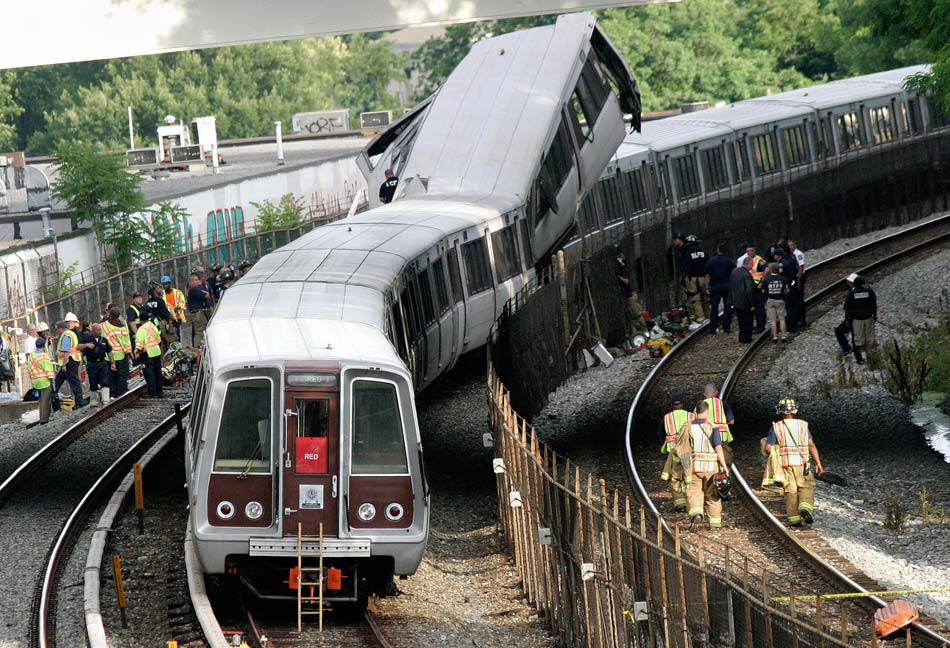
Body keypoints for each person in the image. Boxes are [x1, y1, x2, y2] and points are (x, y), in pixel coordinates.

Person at [765, 398, 823, 526]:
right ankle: (805, 508)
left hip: (786, 464)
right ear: (794, 411)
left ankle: (794, 520)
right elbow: (811, 444)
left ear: (780, 411)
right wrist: (818, 462)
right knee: (806, 486)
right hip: (802, 464)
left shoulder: (776, 427)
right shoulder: (803, 425)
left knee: (790, 490)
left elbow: (768, 448)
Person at [680, 400, 729, 528]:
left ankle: (696, 513)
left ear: (695, 411)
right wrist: (724, 465)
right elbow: (718, 448)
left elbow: (683, 450)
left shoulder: (688, 427)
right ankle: (715, 523)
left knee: (694, 491)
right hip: (711, 466)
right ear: (707, 412)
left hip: (694, 465)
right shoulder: (712, 427)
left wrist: (685, 470)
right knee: (712, 494)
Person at [659, 392, 693, 513]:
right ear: (682, 404)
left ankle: (680, 503)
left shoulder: (667, 418)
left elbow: (661, 434)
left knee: (676, 477)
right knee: (689, 475)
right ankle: (692, 501)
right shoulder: (690, 416)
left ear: (672, 405)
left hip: (673, 451)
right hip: (688, 450)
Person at [836, 274, 877, 365]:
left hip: (855, 319)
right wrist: (874, 315)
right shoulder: (869, 291)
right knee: (865, 339)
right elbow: (873, 304)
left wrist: (847, 319)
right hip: (867, 318)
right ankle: (864, 357)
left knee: (854, 339)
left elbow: (847, 308)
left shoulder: (852, 293)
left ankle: (855, 355)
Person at [53, 313, 89, 408]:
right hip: (73, 361)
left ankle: (79, 402)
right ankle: (53, 398)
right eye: (68, 323)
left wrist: (64, 364)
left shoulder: (67, 334)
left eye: (71, 322)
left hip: (69, 362)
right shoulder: (74, 333)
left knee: (73, 382)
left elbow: (66, 350)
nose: (69, 324)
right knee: (62, 381)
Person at [101, 306, 132, 398]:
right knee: (122, 376)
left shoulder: (103, 326)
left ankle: (112, 394)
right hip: (120, 355)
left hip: (108, 356)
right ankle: (121, 393)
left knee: (111, 377)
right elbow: (126, 342)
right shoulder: (122, 326)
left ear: (110, 314)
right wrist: (129, 352)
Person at [704, 243, 735, 335]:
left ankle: (713, 328)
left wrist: (707, 287)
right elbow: (733, 274)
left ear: (718, 250)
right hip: (727, 286)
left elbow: (707, 275)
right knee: (727, 307)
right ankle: (726, 327)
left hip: (715, 286)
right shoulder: (730, 261)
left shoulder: (711, 261)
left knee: (714, 308)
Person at [80, 322, 112, 406]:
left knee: (105, 381)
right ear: (93, 331)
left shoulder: (104, 340)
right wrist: (86, 345)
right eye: (97, 330)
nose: (99, 331)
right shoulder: (87, 339)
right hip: (92, 364)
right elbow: (78, 347)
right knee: (93, 382)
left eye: (100, 329)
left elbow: (109, 351)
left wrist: (113, 362)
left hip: (102, 362)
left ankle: (106, 400)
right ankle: (94, 400)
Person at [135, 307, 164, 398]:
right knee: (157, 372)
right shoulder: (152, 326)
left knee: (149, 373)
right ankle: (160, 391)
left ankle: (152, 392)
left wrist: (137, 352)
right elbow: (159, 339)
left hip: (147, 354)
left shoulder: (141, 329)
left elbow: (139, 342)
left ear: (140, 319)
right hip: (156, 352)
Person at [615, 247, 645, 334]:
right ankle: (641, 330)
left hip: (631, 296)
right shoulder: (623, 268)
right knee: (633, 315)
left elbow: (626, 281)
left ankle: (646, 329)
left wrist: (618, 277)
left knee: (637, 314)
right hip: (628, 296)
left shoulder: (625, 270)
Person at [28, 337, 56, 424]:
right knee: (46, 400)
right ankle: (44, 420)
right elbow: (49, 372)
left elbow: (29, 368)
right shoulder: (44, 356)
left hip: (36, 381)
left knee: (41, 400)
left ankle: (42, 417)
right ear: (44, 346)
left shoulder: (31, 355)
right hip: (45, 381)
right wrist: (53, 384)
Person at [761, 262, 790, 343]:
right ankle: (783, 336)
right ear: (778, 270)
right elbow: (787, 289)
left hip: (770, 300)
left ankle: (774, 337)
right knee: (782, 319)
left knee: (772, 320)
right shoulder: (783, 279)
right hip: (780, 300)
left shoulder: (766, 279)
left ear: (770, 270)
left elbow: (763, 290)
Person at [683, 235, 709, 326]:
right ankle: (708, 317)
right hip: (705, 278)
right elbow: (708, 264)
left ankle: (701, 319)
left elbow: (685, 268)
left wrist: (685, 280)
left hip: (693, 279)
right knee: (705, 297)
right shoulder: (704, 252)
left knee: (695, 298)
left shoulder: (687, 254)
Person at [730, 257, 756, 343]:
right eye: (751, 264)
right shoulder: (747, 274)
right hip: (746, 301)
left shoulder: (734, 271)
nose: (752, 266)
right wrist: (752, 304)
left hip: (736, 300)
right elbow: (749, 290)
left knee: (741, 320)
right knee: (748, 320)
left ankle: (741, 337)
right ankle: (747, 338)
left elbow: (731, 286)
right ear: (748, 263)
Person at [186, 272, 213, 347]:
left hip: (199, 313)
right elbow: (206, 295)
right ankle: (197, 348)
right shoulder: (193, 290)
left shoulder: (197, 288)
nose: (199, 282)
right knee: (199, 332)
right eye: (196, 280)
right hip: (197, 313)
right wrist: (205, 293)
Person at [145, 281, 175, 347]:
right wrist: (173, 319)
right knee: (169, 342)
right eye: (158, 288)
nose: (160, 289)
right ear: (154, 291)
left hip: (151, 326)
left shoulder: (148, 302)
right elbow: (166, 314)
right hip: (161, 325)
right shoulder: (160, 301)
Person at [162, 275, 188, 342]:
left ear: (170, 284)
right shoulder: (162, 295)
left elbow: (183, 302)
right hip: (168, 317)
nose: (165, 286)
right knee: (169, 334)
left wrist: (178, 307)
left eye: (166, 284)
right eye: (164, 284)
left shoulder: (178, 292)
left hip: (177, 317)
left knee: (177, 333)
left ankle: (178, 346)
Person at [788, 239, 807, 328]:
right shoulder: (790, 255)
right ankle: (796, 317)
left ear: (795, 245)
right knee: (794, 298)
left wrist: (798, 279)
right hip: (794, 277)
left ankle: (801, 319)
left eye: (792, 245)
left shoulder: (798, 254)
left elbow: (801, 266)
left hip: (799, 277)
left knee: (799, 298)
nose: (790, 247)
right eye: (789, 245)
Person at [668, 233, 688, 305]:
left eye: (675, 240)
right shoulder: (674, 250)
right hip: (681, 274)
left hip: (687, 274)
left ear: (680, 240)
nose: (674, 242)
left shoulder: (686, 249)